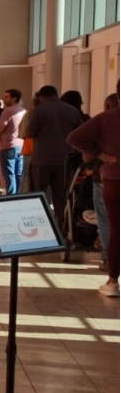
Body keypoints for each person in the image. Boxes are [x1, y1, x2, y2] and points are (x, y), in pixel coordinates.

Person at [67, 79, 120, 298]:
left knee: (116, 229)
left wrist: (102, 155)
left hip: (114, 178)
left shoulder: (107, 118)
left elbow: (74, 138)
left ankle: (113, 280)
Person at [27, 85, 84, 231]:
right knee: (62, 197)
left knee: (38, 195)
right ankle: (63, 227)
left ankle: (39, 228)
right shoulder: (72, 110)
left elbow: (30, 132)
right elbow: (80, 133)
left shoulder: (39, 110)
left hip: (41, 160)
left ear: (42, 97)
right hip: (65, 161)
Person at [87, 93, 119, 273]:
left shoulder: (102, 123)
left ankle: (110, 262)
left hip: (105, 178)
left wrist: (100, 155)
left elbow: (76, 140)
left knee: (107, 222)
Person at [0, 88, 26, 195]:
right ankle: (18, 194)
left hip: (8, 145)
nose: (4, 99)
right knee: (18, 173)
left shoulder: (7, 111)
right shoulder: (23, 110)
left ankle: (11, 195)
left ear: (14, 98)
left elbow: (1, 129)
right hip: (21, 145)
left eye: (7, 97)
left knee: (9, 173)